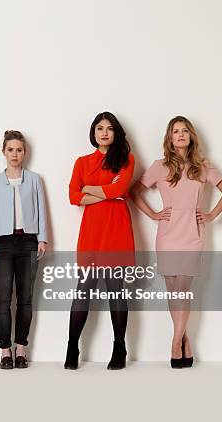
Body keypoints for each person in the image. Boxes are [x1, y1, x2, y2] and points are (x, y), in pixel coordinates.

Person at [130, 115, 222, 368]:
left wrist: (210, 215)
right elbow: (135, 191)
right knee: (172, 289)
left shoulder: (203, 166)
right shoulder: (160, 166)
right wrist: (154, 214)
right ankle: (184, 341)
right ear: (170, 137)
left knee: (183, 288)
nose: (180, 135)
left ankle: (175, 342)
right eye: (176, 131)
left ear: (191, 136)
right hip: (167, 234)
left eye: (185, 130)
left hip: (193, 234)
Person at [65, 112, 135, 370]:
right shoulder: (82, 162)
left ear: (116, 132)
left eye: (109, 129)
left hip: (116, 227)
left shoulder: (126, 159)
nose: (104, 133)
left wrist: (89, 189)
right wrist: (106, 191)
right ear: (93, 133)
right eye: (99, 129)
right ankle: (72, 346)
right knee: (83, 288)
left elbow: (119, 191)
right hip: (92, 230)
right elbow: (73, 195)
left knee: (116, 288)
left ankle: (119, 347)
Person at [0, 130, 48, 369]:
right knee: (2, 300)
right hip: (2, 243)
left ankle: (21, 348)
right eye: (11, 149)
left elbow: (41, 210)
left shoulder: (34, 180)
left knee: (26, 300)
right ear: (4, 152)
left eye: (19, 150)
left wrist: (43, 238)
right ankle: (4, 350)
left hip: (28, 242)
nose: (15, 154)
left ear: (25, 152)